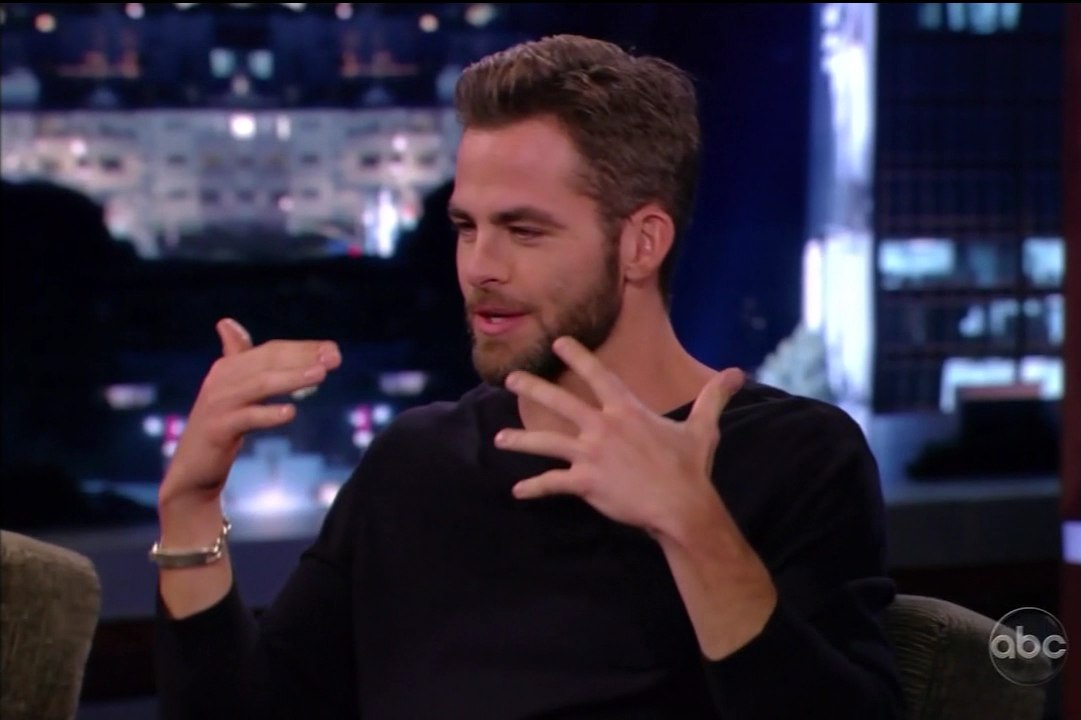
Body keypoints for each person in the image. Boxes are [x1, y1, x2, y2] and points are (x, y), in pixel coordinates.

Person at [153, 34, 903, 719]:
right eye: (466, 228)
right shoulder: (414, 465)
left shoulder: (794, 458)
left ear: (641, 244)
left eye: (523, 230)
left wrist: (693, 527)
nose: (481, 267)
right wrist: (190, 510)